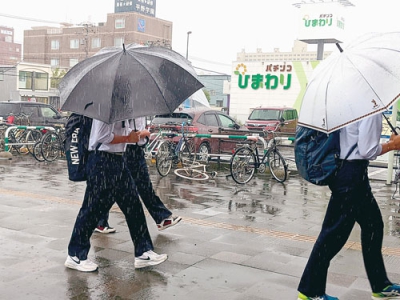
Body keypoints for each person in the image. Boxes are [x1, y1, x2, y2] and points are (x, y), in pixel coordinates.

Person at [297, 113, 400, 300]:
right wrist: (393, 145)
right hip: (351, 176)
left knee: (373, 226)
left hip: (348, 173)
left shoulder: (348, 105)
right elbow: (367, 149)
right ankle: (310, 291)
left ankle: (380, 285)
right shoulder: (369, 109)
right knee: (332, 235)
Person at [65, 119, 167, 272]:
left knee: (133, 206)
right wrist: (128, 138)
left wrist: (133, 136)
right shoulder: (105, 110)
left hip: (119, 160)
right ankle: (75, 255)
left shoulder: (122, 111)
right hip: (102, 161)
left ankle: (143, 252)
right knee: (92, 210)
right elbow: (102, 137)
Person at [94, 117, 182, 234]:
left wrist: (144, 133)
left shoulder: (140, 109)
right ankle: (161, 218)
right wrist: (141, 134)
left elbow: (140, 132)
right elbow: (127, 132)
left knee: (135, 187)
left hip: (136, 150)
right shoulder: (126, 109)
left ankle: (99, 220)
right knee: (136, 187)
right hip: (127, 150)